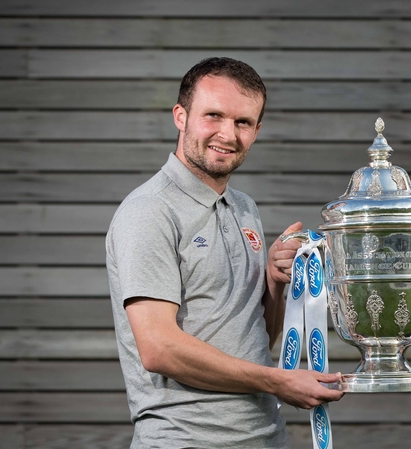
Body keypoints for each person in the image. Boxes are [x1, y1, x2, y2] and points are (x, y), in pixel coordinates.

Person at [106, 57, 343, 449]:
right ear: (180, 116)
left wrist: (274, 279)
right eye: (213, 115)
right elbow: (159, 349)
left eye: (243, 122)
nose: (227, 134)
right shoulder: (149, 211)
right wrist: (279, 380)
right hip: (183, 440)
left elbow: (258, 337)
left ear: (257, 130)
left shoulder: (244, 207)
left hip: (265, 438)